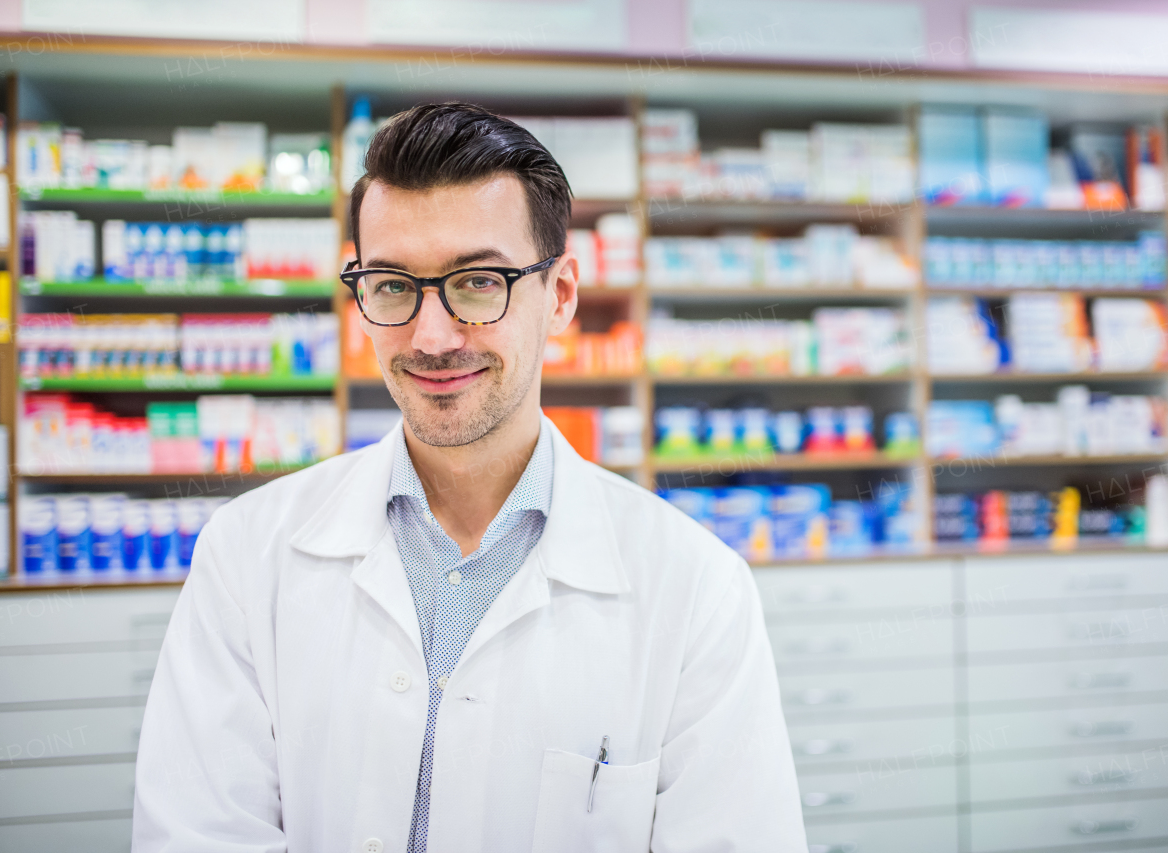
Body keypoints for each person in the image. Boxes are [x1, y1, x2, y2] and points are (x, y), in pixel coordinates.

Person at [132, 102, 806, 853]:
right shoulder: (246, 554)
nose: (431, 336)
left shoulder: (696, 588)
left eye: (479, 281)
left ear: (561, 296)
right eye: (391, 284)